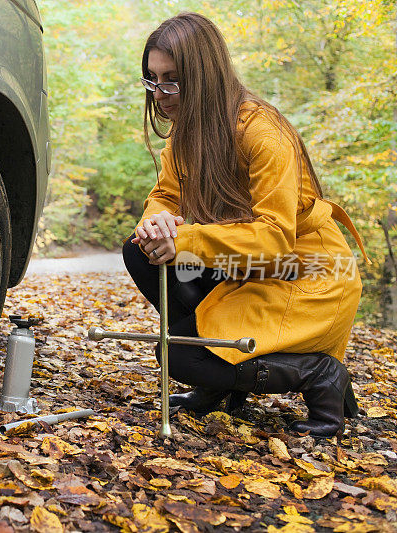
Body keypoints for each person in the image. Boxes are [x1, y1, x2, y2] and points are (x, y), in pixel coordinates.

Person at [122, 12, 370, 438]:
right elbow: (165, 195)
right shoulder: (187, 133)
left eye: (172, 80)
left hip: (305, 276)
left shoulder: (262, 132)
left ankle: (319, 374)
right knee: (140, 251)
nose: (160, 95)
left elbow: (274, 239)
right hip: (249, 266)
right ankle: (217, 380)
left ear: (204, 76)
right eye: (152, 79)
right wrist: (157, 224)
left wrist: (187, 239)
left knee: (179, 356)